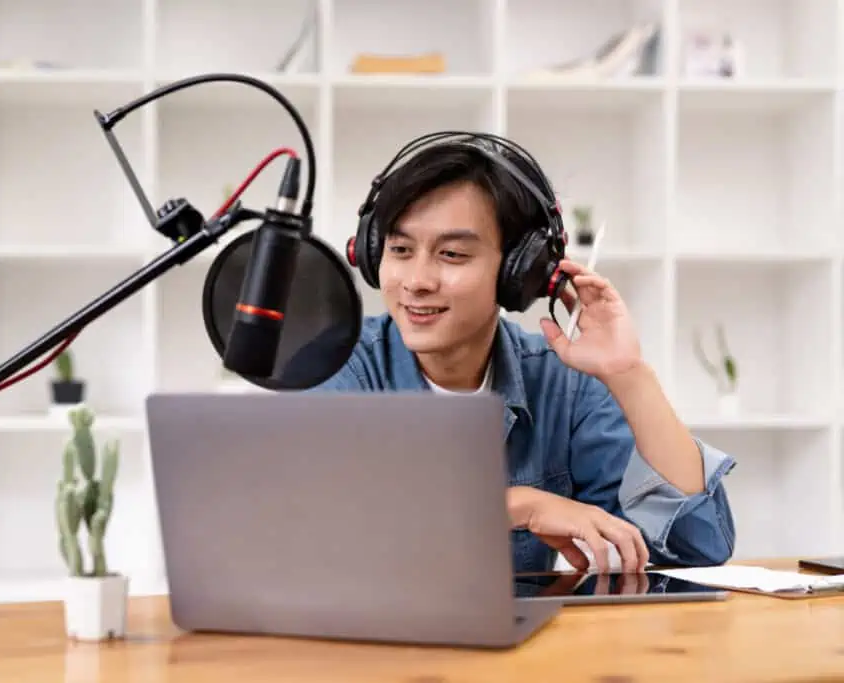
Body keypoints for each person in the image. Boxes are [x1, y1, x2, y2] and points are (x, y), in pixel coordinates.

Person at [312, 133, 737, 575]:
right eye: (400, 250)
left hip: (517, 644)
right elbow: (312, 537)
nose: (416, 281)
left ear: (521, 272)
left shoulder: (561, 386)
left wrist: (629, 374)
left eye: (452, 254)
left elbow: (697, 546)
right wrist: (515, 506)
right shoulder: (337, 365)